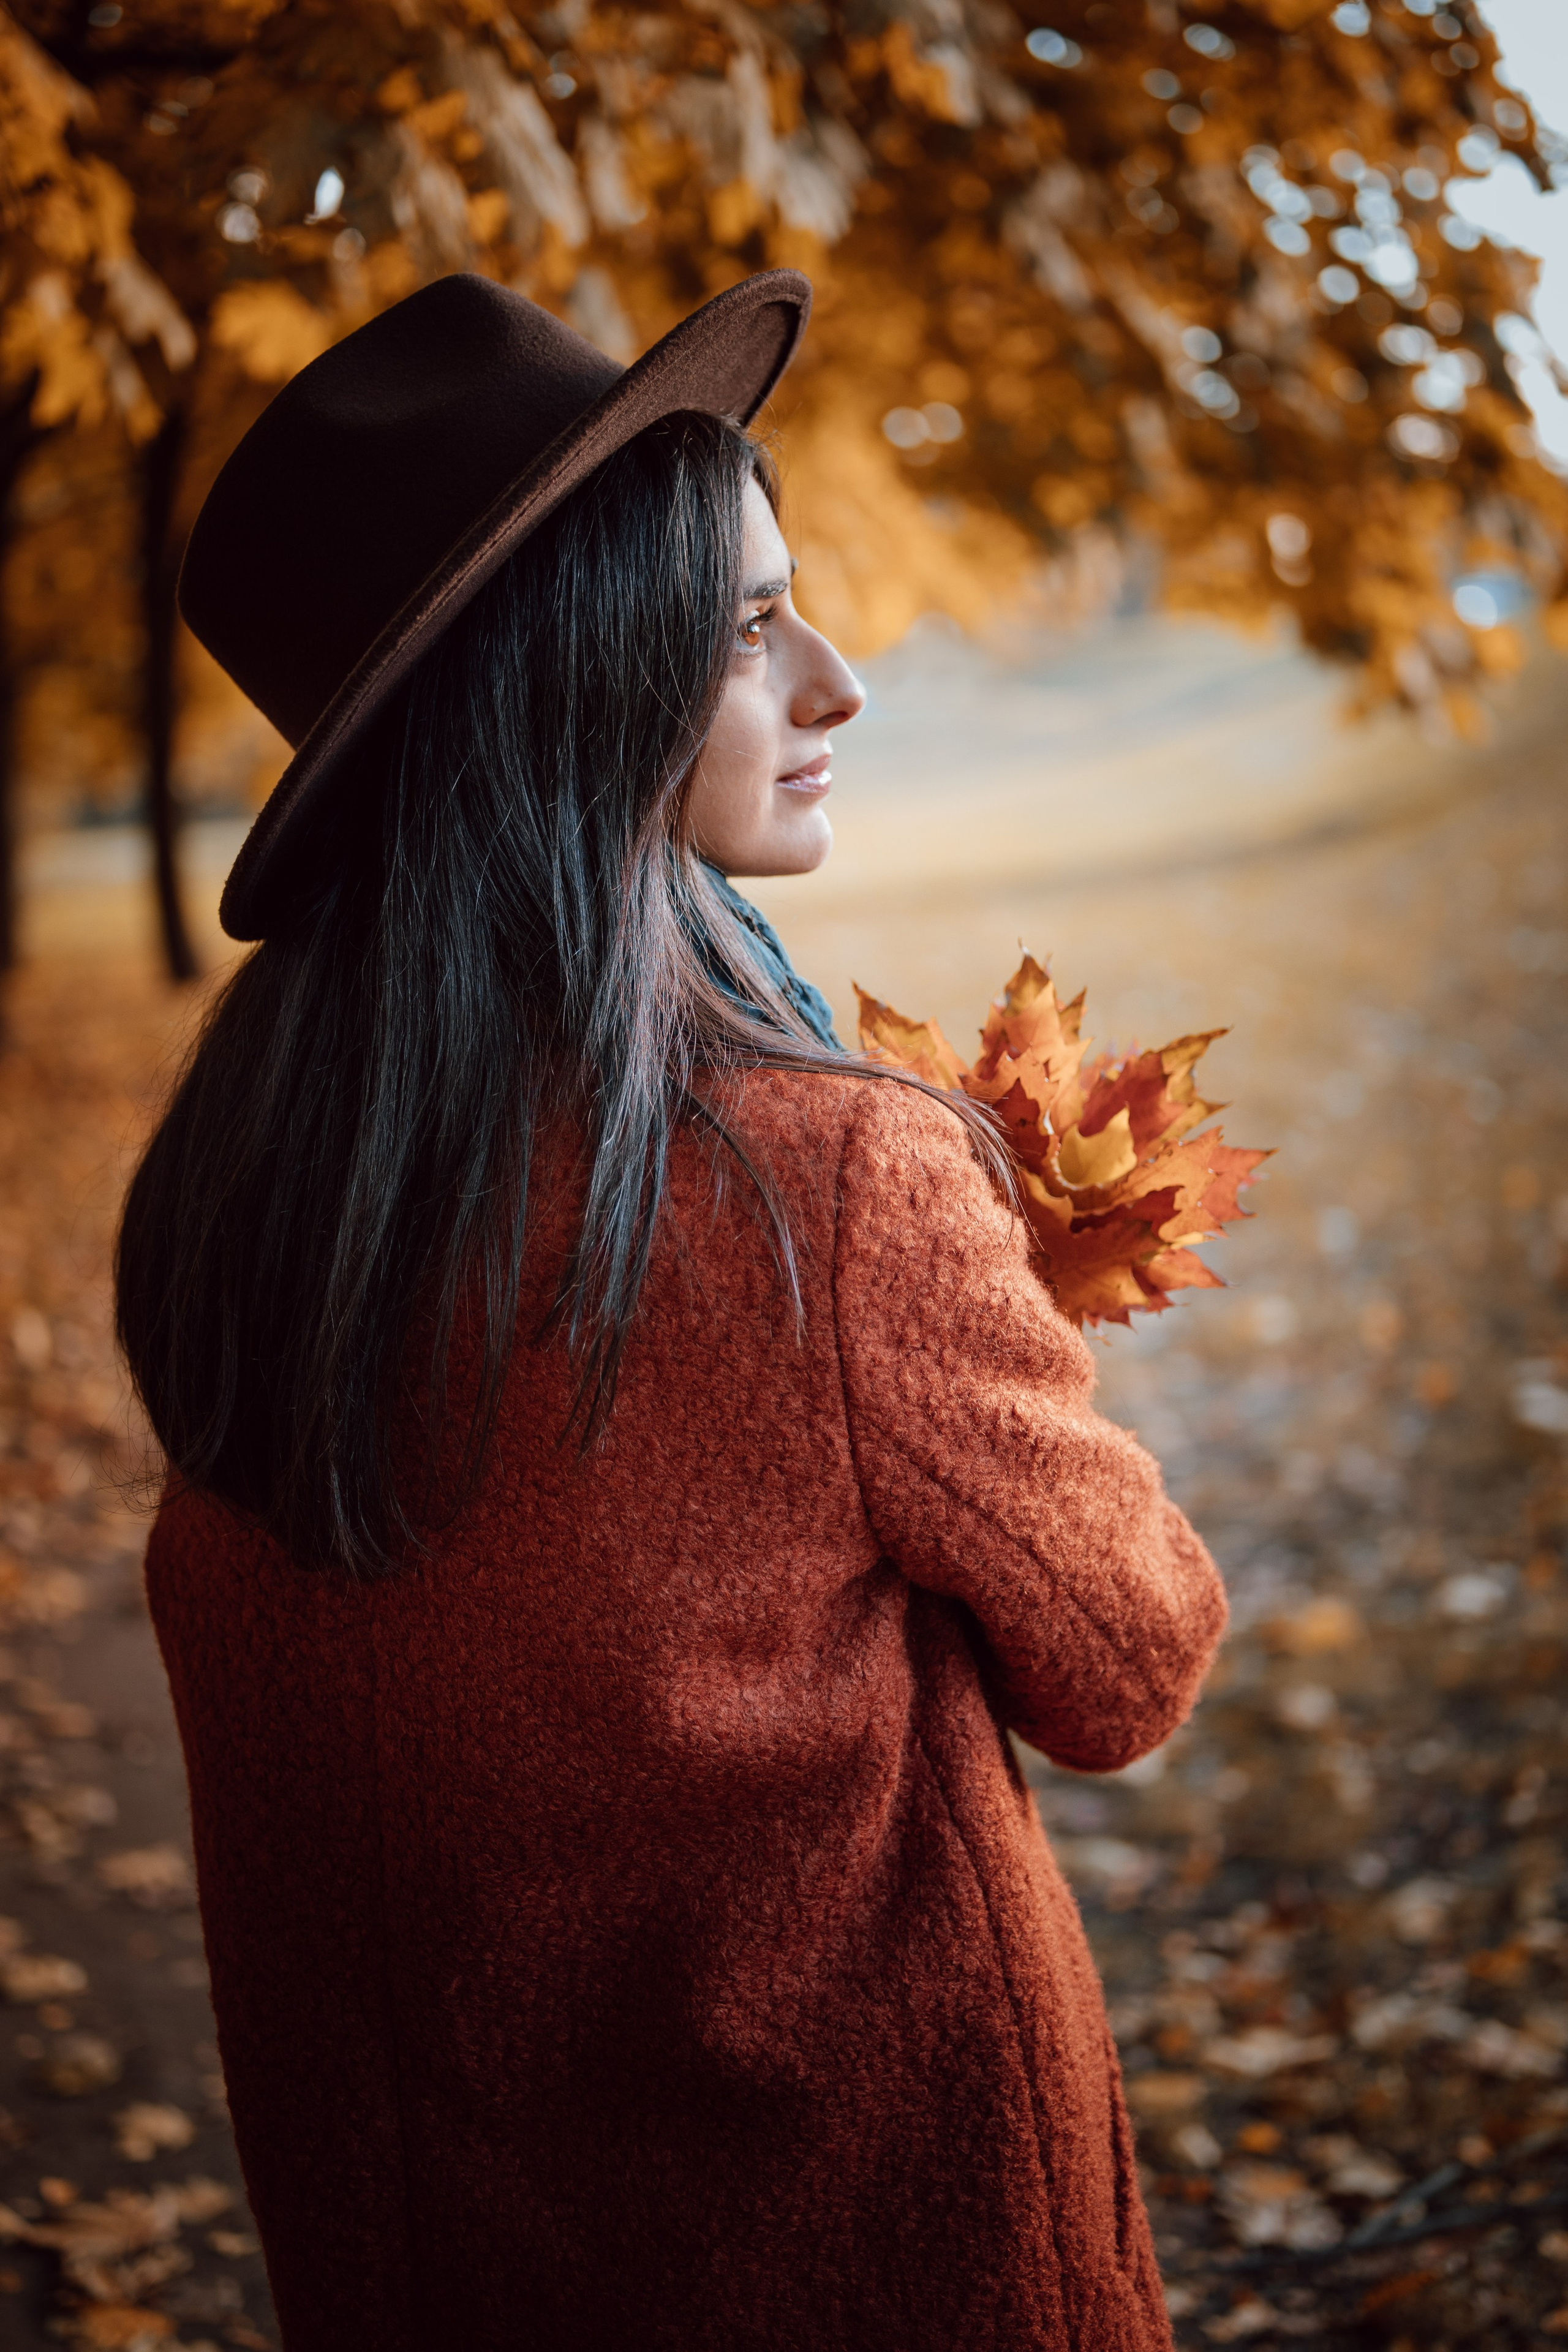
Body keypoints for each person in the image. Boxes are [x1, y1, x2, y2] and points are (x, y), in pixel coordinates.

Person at [116, 268, 1227, 2352]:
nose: (836, 681)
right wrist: (994, 1300)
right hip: (874, 2260)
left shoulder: (248, 1196)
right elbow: (1131, 1661)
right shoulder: (831, 1180)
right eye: (740, 627)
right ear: (567, 677)